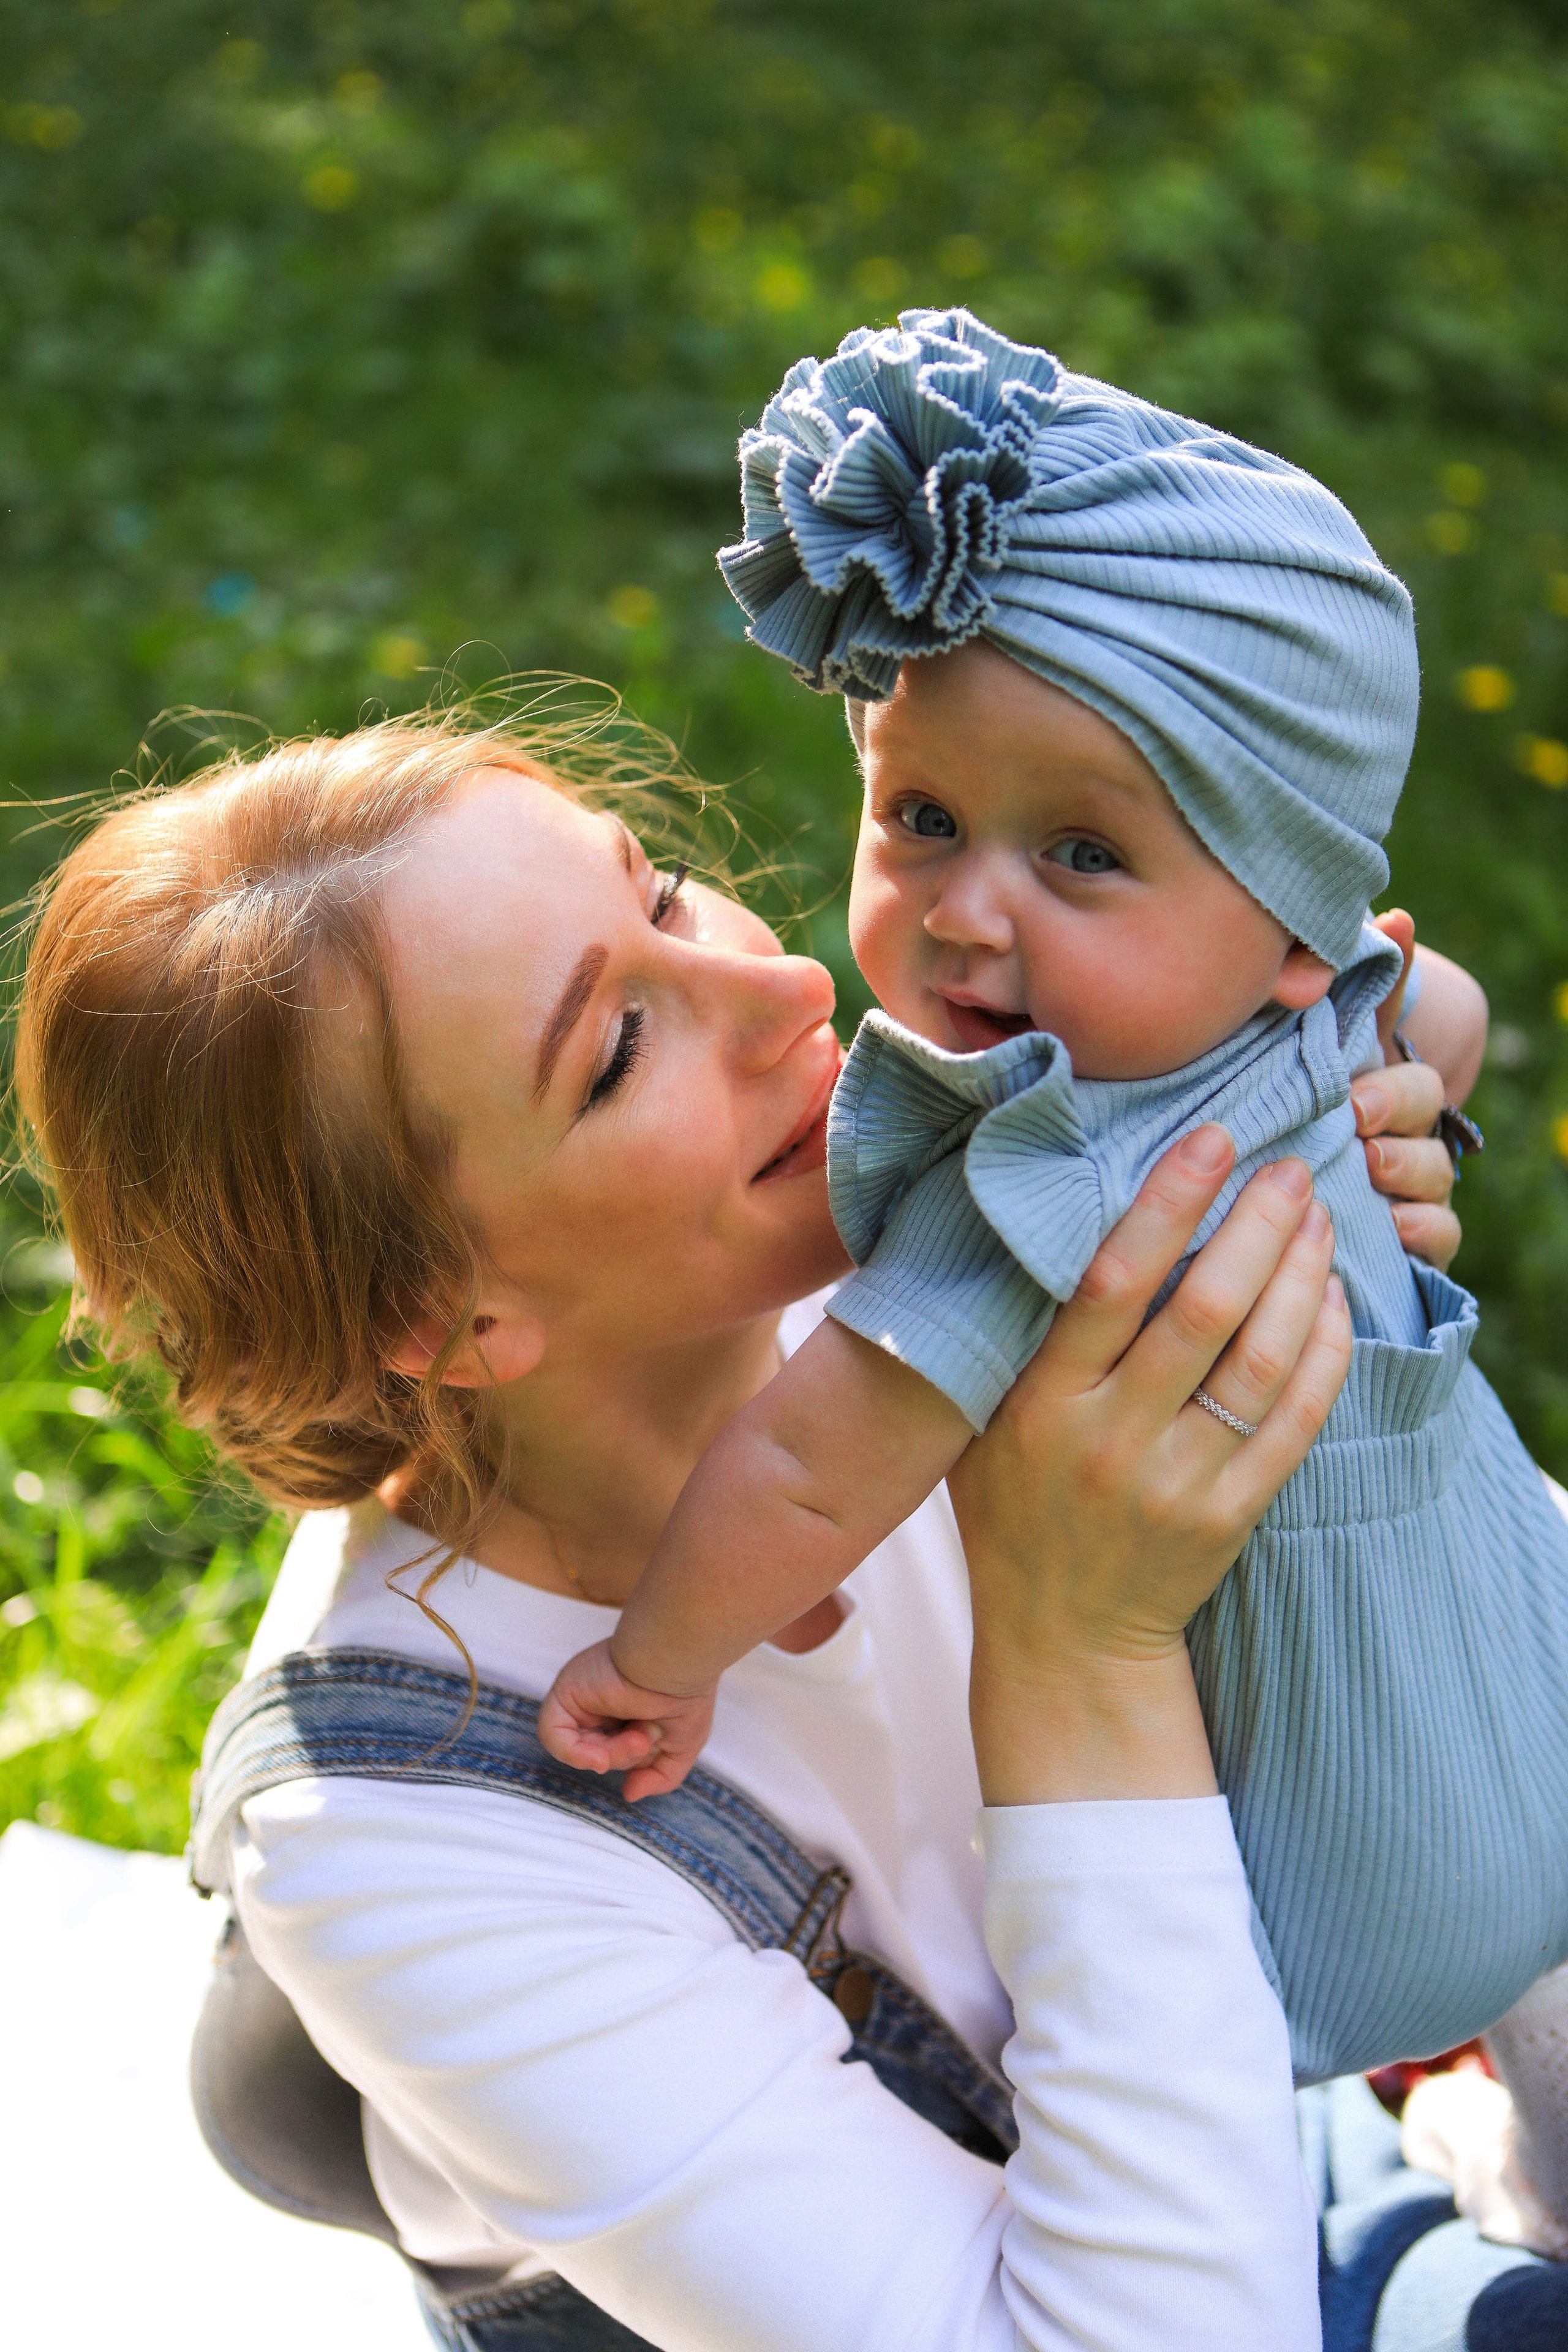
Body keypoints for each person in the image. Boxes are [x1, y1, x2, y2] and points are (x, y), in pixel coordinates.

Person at [15, 709, 1464, 2350]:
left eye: (669, 891)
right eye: (622, 1043)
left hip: (1214, 2135)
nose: (785, 991)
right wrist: (1086, 1646)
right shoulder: (399, 1835)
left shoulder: (969, 1199)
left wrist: (1342, 1245)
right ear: (450, 1313)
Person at [540, 308, 1568, 2099]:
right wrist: (1407, 1089)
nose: (968, 914)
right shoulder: (1318, 1005)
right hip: (1520, 1637)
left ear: (1289, 927)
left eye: (1082, 855)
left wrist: (662, 1656)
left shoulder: (1031, 1165)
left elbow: (809, 1463)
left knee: (1156, 2002)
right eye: (923, 816)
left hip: (1344, 1857)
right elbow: (1449, 1015)